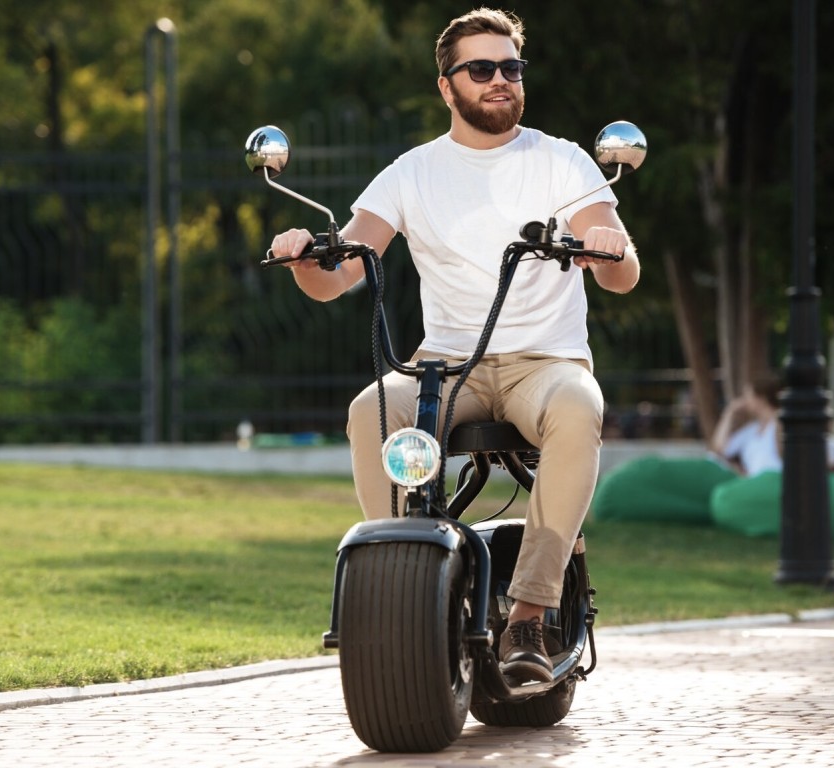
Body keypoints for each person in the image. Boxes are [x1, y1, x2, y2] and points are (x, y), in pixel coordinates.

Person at [268, 8, 639, 684]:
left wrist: (611, 248)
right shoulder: (411, 173)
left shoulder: (563, 161)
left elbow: (622, 274)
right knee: (371, 408)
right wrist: (303, 258)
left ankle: (530, 612)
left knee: (580, 407)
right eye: (482, 69)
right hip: (446, 364)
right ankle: (397, 583)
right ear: (447, 86)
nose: (500, 80)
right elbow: (346, 272)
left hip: (545, 364)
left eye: (511, 67)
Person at [710, 373, 834, 477]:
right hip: (757, 485)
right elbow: (719, 450)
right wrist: (729, 413)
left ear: (760, 398)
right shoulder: (751, 430)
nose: (743, 401)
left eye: (748, 396)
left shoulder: (783, 422)